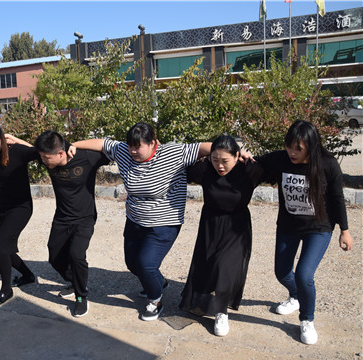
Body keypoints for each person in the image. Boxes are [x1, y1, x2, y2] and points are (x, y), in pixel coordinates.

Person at [72, 122, 224, 322]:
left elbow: (205, 147)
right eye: (130, 146)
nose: (133, 151)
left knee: (146, 264)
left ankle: (155, 300)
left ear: (153, 143)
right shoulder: (124, 152)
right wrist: (73, 144)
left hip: (164, 222)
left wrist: (233, 153)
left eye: (138, 147)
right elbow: (102, 143)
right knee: (132, 264)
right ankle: (159, 282)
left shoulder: (172, 153)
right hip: (134, 219)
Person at [256, 120, 353, 345]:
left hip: (319, 228)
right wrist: (237, 155)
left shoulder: (328, 164)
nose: (292, 152)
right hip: (288, 226)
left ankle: (307, 319)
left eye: (298, 148)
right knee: (282, 273)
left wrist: (345, 230)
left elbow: (337, 198)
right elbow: (256, 162)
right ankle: (296, 296)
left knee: (304, 274)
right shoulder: (281, 159)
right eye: (289, 146)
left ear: (311, 146)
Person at [179, 135, 266, 336]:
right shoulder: (204, 169)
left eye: (225, 161)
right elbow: (179, 162)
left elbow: (277, 165)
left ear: (237, 156)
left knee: (225, 267)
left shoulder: (250, 170)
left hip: (237, 226)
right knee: (208, 265)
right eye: (215, 159)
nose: (220, 165)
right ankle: (205, 301)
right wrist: (203, 155)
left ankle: (221, 312)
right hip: (210, 224)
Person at [34, 130, 110, 318]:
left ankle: (81, 296)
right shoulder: (48, 155)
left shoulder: (86, 157)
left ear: (60, 153)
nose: (43, 161)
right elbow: (23, 149)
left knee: (76, 255)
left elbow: (109, 146)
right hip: (61, 218)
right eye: (41, 157)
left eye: (46, 158)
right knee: (54, 257)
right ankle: (76, 281)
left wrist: (76, 144)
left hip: (85, 218)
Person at [0, 121, 38, 306]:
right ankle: (28, 275)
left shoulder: (17, 152)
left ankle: (6, 290)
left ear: (2, 138)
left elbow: (39, 151)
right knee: (6, 249)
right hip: (2, 207)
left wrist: (16, 139)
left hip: (21, 207)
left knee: (0, 247)